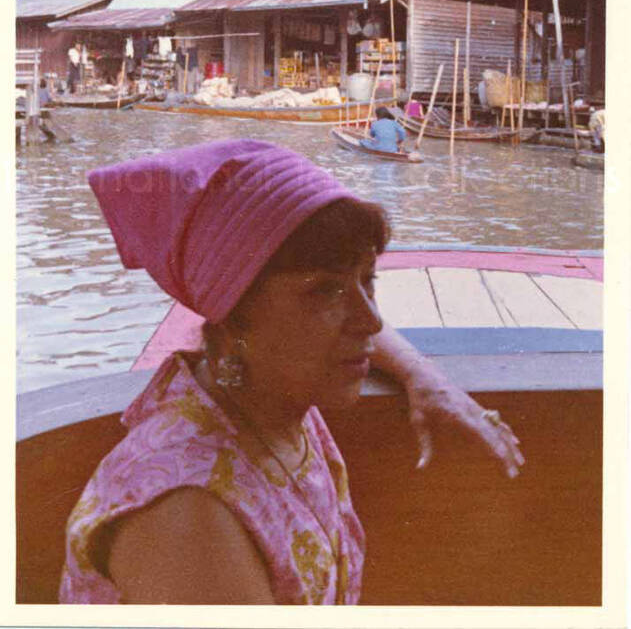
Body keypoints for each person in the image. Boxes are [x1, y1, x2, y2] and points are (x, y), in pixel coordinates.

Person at [59, 140, 523, 605]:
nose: (372, 321)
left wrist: (424, 376)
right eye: (325, 292)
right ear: (235, 314)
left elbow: (361, 329)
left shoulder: (266, 391)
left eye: (367, 280)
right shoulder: (188, 515)